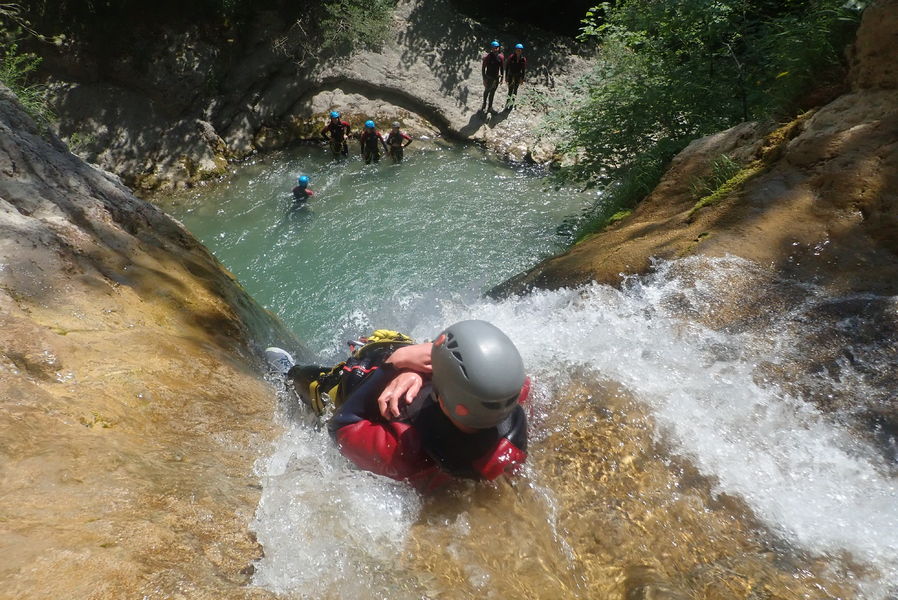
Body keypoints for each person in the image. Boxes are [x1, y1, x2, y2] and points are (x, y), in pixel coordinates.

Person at [283, 320, 529, 491]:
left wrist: (394, 364)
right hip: (422, 380)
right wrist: (418, 373)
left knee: (317, 381)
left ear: (442, 396)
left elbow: (341, 426)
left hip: (362, 384)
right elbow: (482, 375)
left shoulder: (402, 450)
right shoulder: (507, 407)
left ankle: (288, 370)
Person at [480, 40, 505, 114]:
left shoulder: (501, 57)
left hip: (496, 78)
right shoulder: (488, 57)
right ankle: (484, 104)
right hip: (489, 78)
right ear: (491, 48)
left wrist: (502, 78)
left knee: (492, 92)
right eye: (493, 48)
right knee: (487, 91)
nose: (495, 49)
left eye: (496, 48)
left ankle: (490, 107)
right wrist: (484, 79)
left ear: (498, 48)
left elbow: (502, 68)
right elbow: (483, 68)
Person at [504, 43, 527, 110]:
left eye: (520, 50)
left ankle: (511, 105)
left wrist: (522, 78)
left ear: (521, 51)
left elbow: (523, 69)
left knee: (515, 90)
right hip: (511, 75)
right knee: (510, 90)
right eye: (517, 50)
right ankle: (507, 104)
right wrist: (506, 76)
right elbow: (507, 67)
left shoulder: (523, 59)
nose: (518, 51)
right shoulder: (511, 57)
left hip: (518, 76)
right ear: (515, 50)